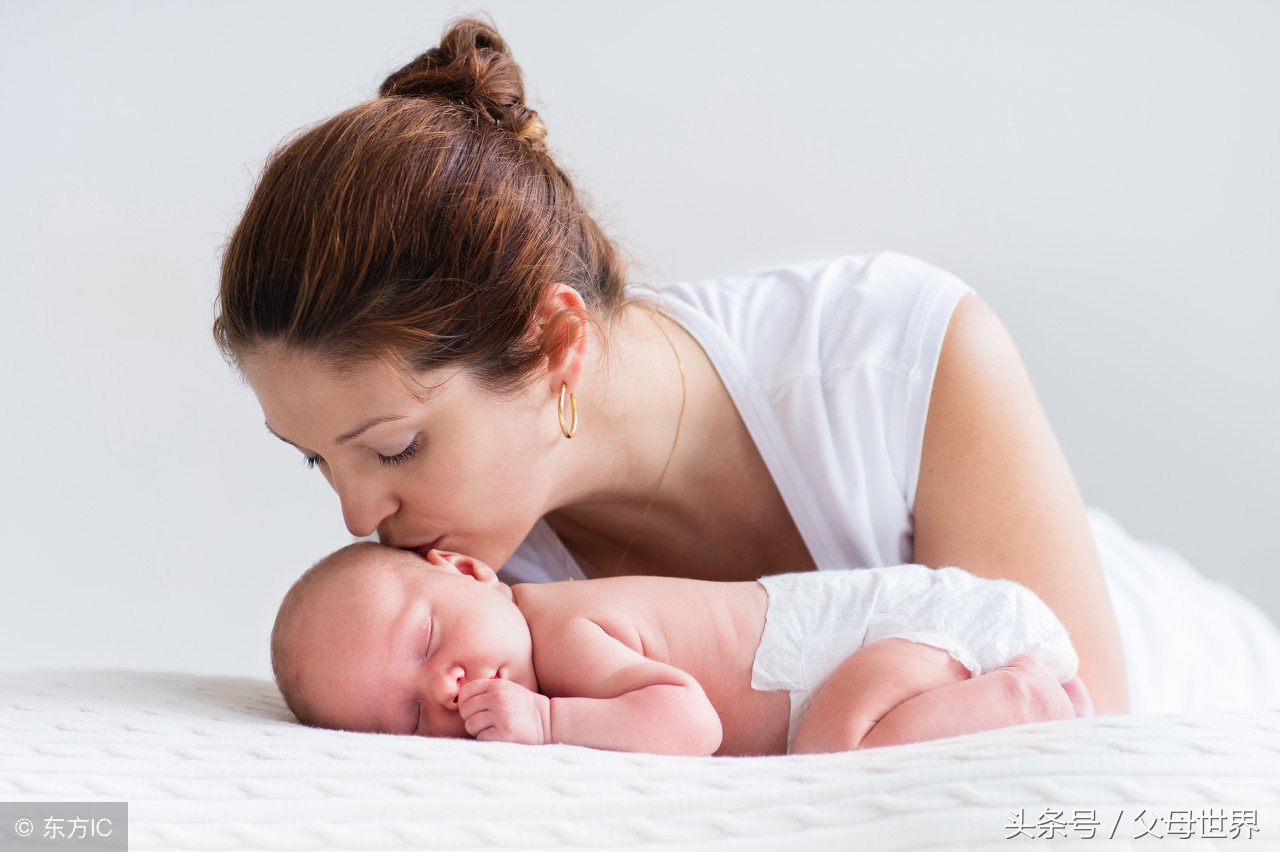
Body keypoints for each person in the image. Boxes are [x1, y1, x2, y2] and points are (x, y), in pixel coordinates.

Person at [216, 18, 1280, 718]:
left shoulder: (891, 356)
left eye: (392, 446)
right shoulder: (461, 610)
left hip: (1209, 686)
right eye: (315, 462)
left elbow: (1072, 724)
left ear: (553, 343)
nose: (360, 518)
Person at [272, 542, 1092, 755]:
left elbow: (688, 724)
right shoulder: (534, 638)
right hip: (894, 648)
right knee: (840, 740)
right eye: (413, 717)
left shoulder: (561, 633)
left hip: (903, 630)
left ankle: (1021, 695)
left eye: (428, 640)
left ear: (467, 570)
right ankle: (1016, 703)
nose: (447, 689)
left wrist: (550, 722)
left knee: (835, 751)